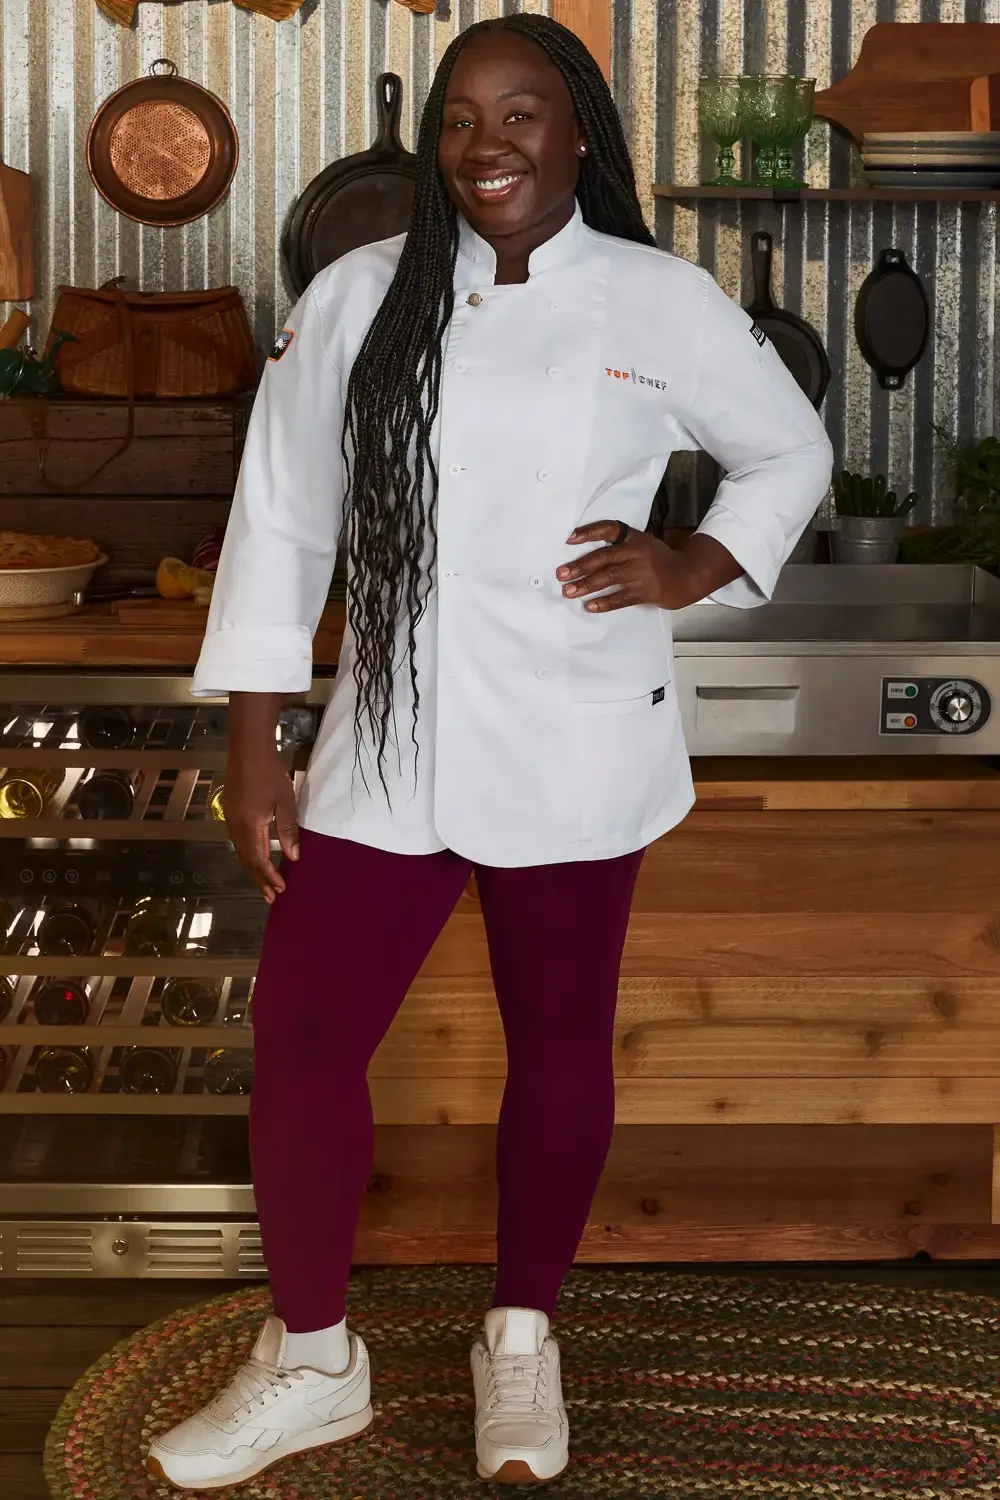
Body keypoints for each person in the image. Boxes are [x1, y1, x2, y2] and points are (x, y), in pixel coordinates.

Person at [146, 12, 832, 1491]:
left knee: (560, 1043)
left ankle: (521, 1338)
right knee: (306, 1034)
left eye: (522, 113)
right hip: (390, 741)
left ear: (581, 128)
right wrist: (257, 744)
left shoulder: (658, 300)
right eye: (461, 118)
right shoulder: (359, 294)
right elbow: (281, 517)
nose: (487, 145)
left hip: (582, 738)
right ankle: (314, 1359)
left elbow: (791, 452)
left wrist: (687, 564)